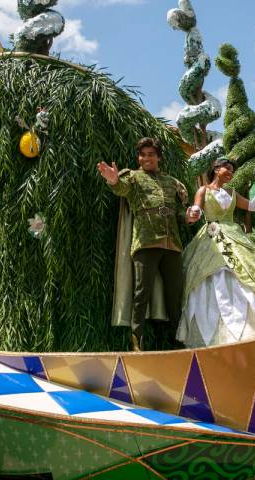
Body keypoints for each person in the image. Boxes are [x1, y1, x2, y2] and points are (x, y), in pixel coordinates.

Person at [176, 157, 255, 348]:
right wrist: (193, 212)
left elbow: (253, 206)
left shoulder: (232, 192)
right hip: (211, 238)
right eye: (227, 168)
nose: (230, 172)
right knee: (213, 275)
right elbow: (197, 212)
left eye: (232, 170)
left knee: (249, 271)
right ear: (216, 169)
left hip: (234, 234)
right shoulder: (204, 190)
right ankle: (215, 332)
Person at [97, 137, 196, 350]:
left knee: (174, 294)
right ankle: (136, 341)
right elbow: (122, 189)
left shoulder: (171, 182)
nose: (146, 158)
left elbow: (179, 213)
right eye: (142, 155)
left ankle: (178, 342)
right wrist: (114, 180)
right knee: (141, 293)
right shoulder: (133, 178)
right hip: (145, 242)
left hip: (172, 245)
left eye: (151, 154)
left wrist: (187, 216)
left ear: (158, 157)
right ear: (138, 158)